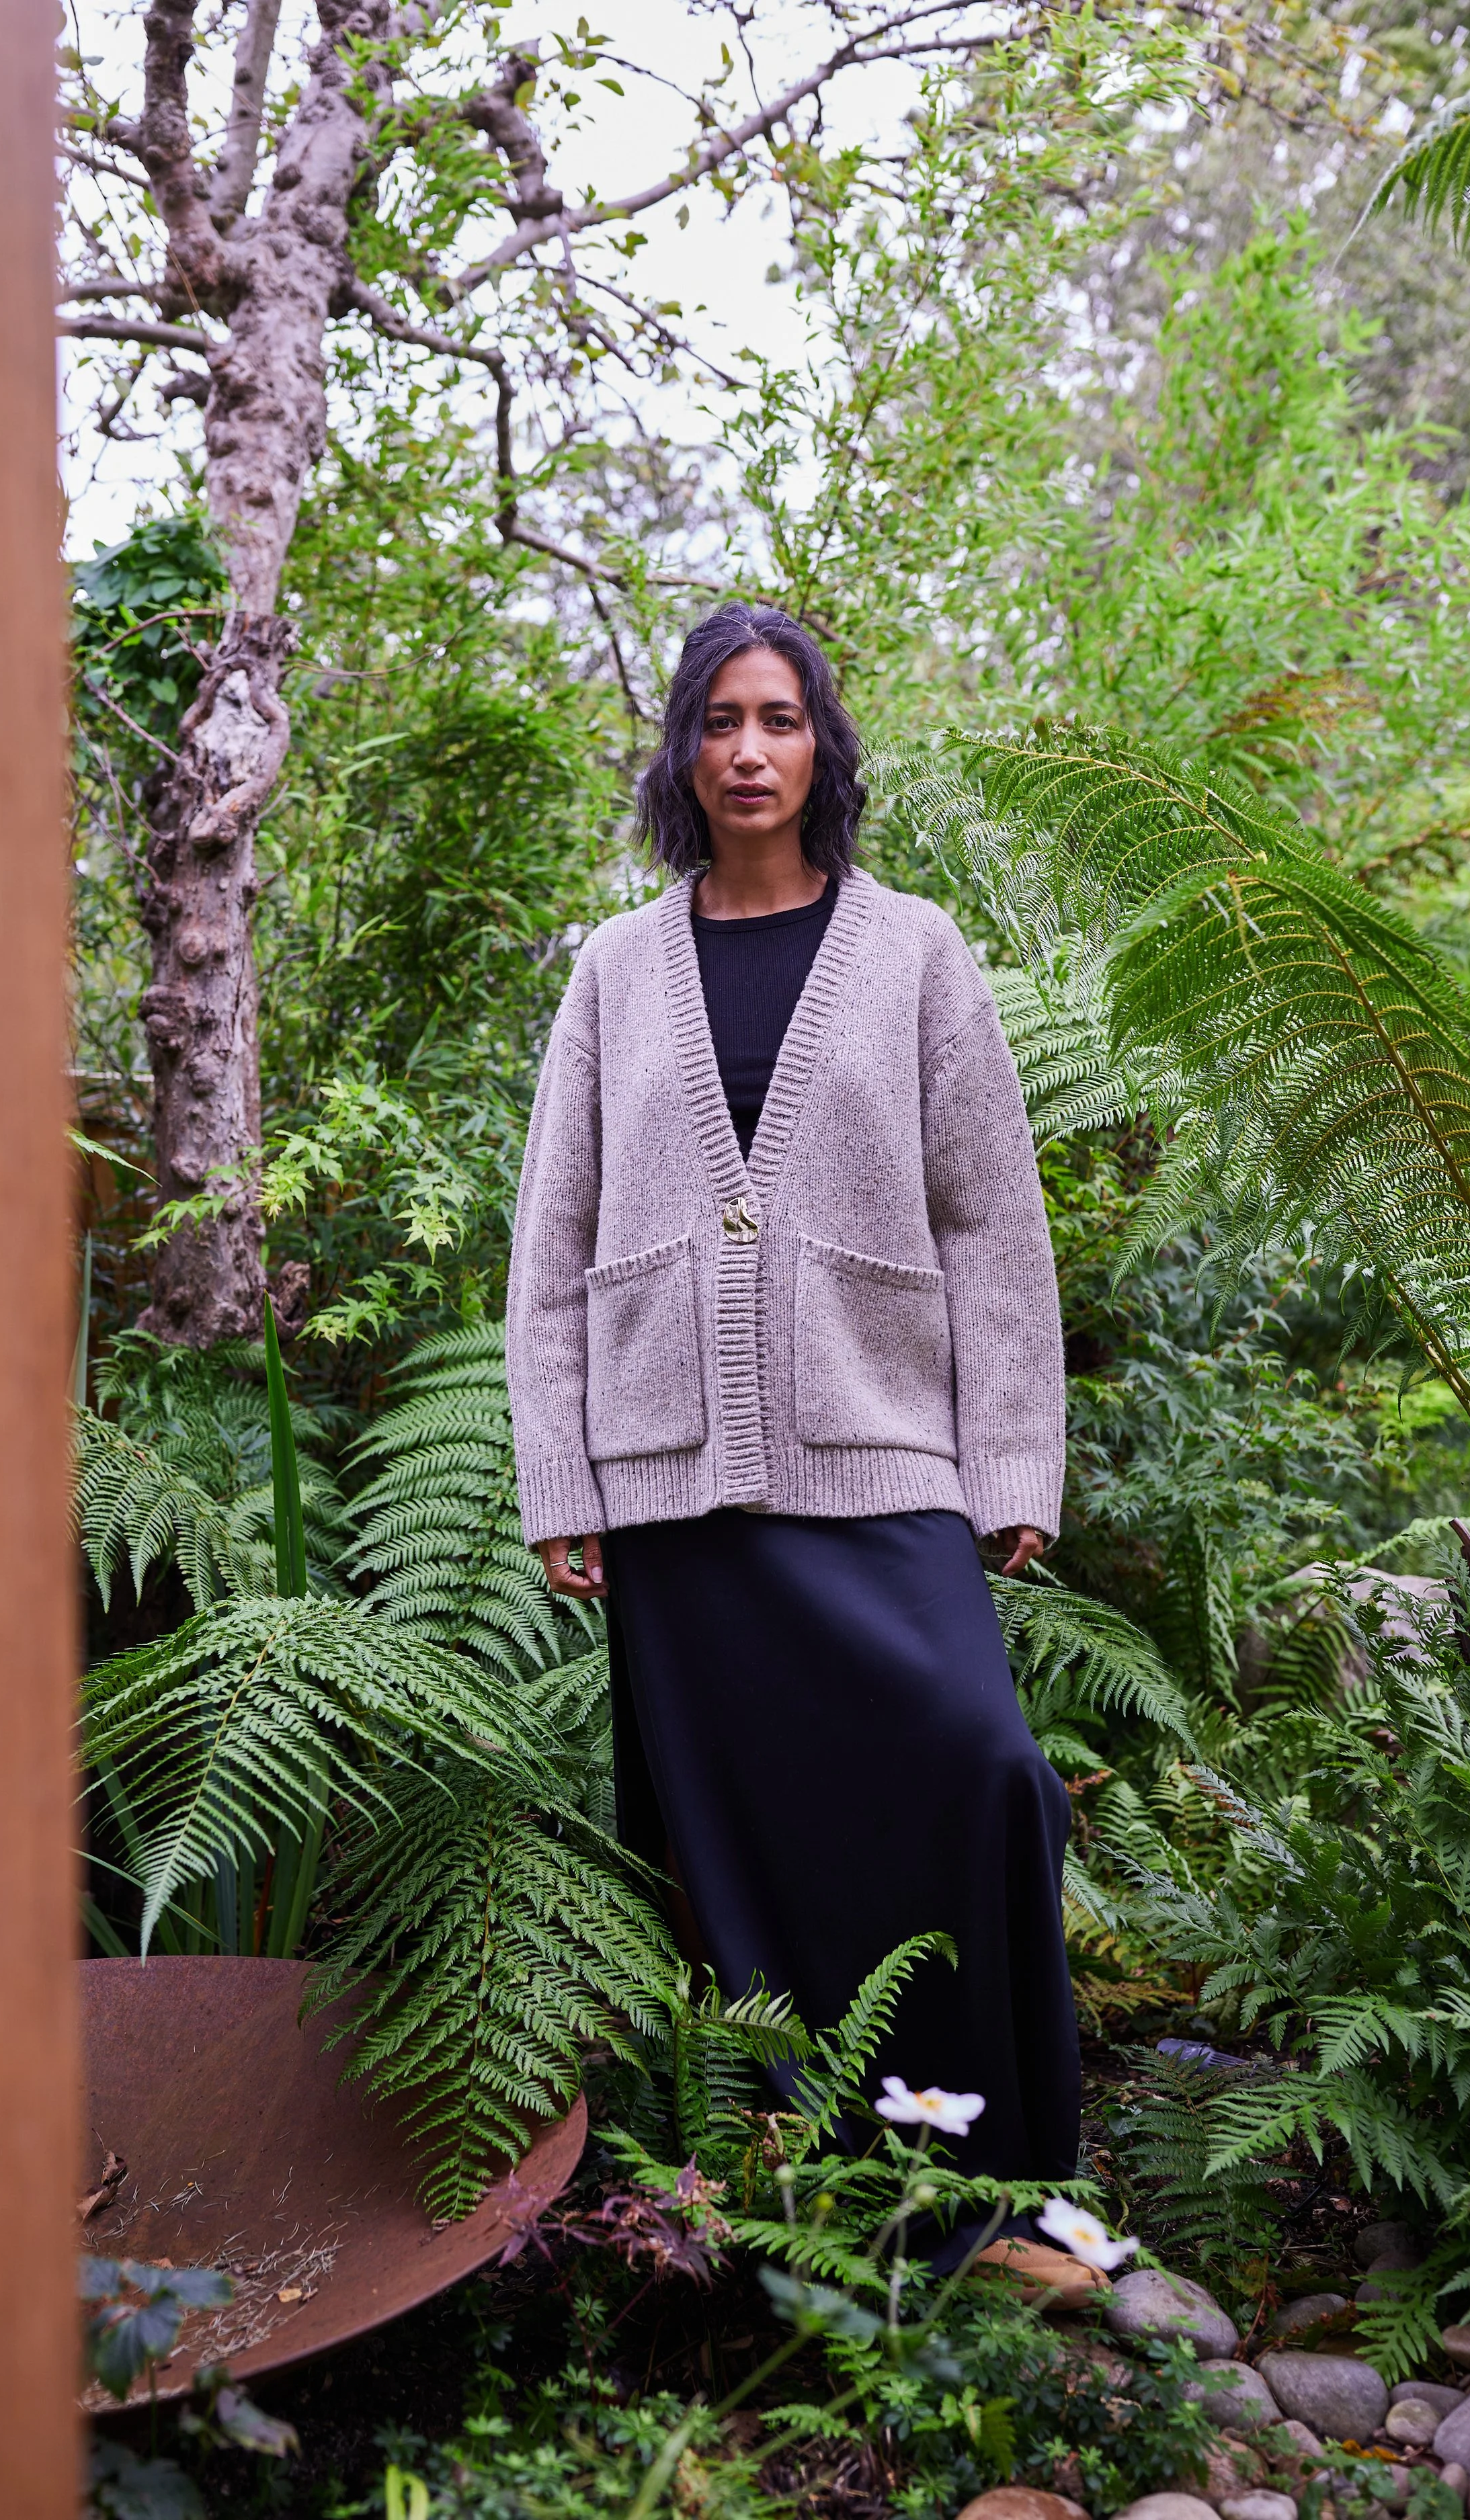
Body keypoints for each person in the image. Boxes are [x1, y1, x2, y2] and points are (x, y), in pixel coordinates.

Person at [506, 601, 1079, 2271]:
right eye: (716, 723)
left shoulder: (914, 951)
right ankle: (818, 2205)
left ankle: (1008, 2178)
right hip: (678, 1490)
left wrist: (1009, 1467)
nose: (747, 750)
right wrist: (564, 1479)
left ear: (822, 743)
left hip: (881, 1454)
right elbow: (553, 1241)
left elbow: (992, 1226)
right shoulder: (616, 968)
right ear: (681, 753)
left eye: (778, 719)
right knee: (745, 1854)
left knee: (982, 1774)